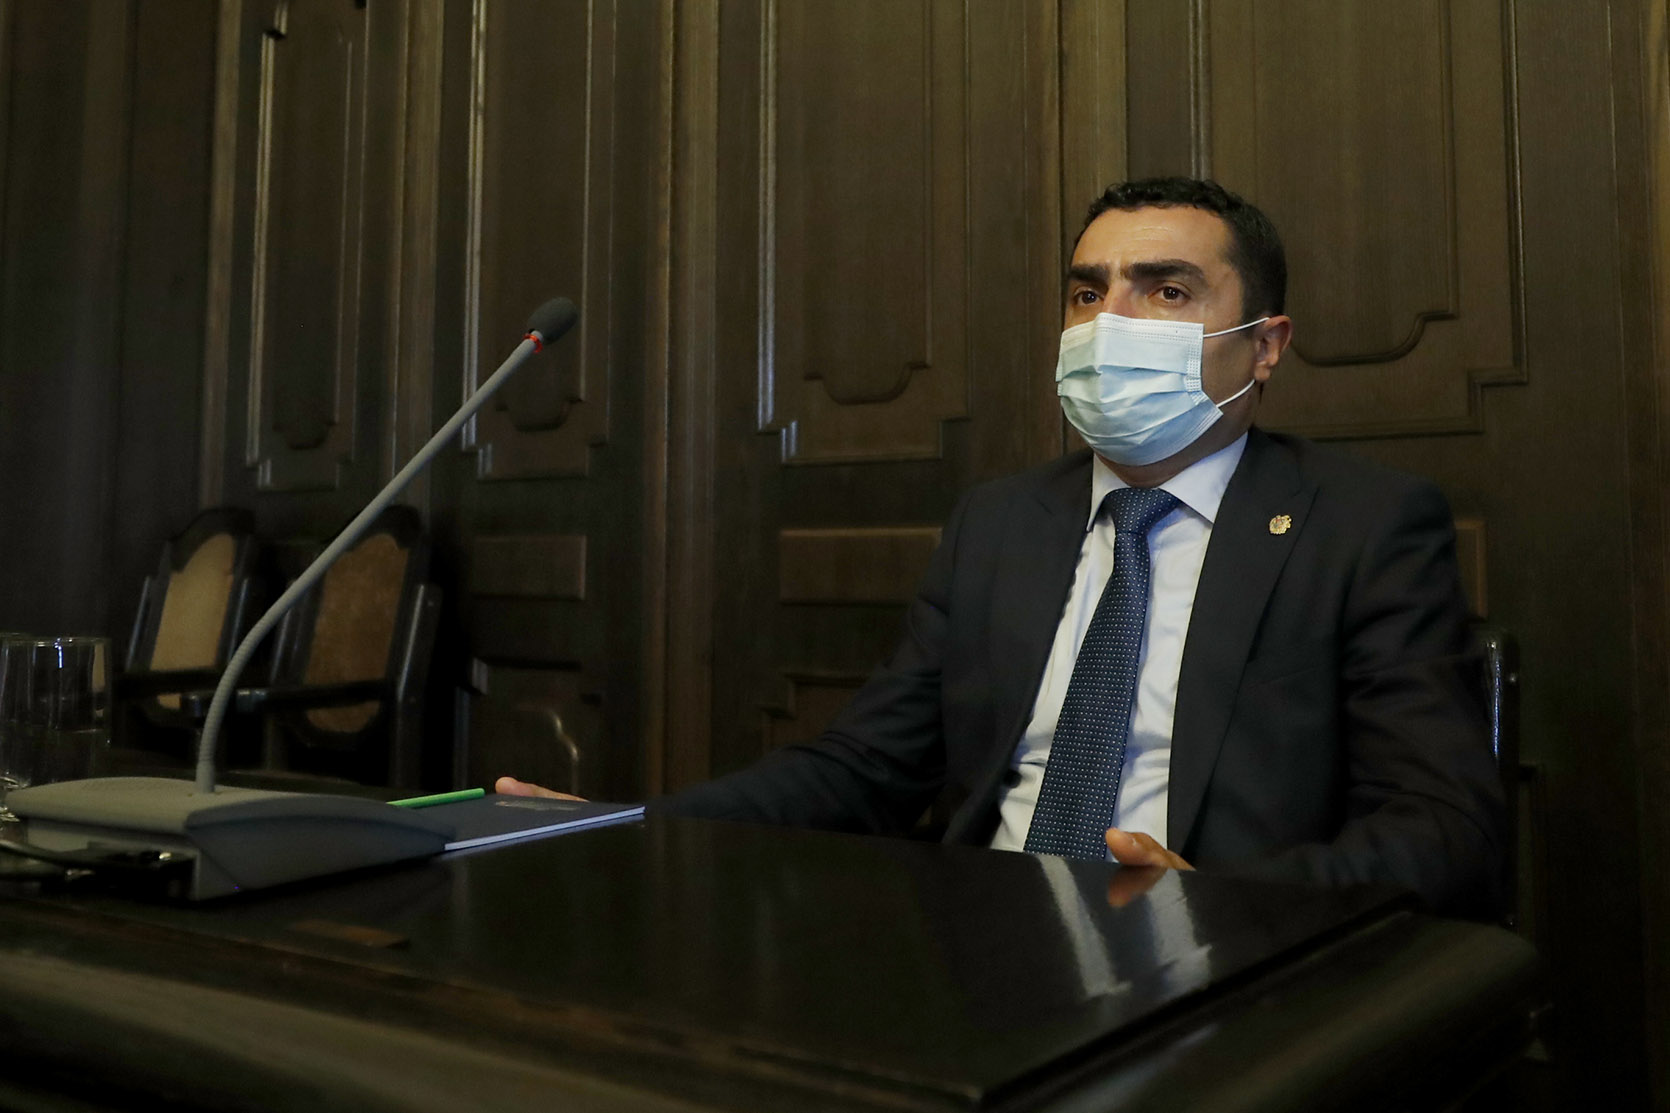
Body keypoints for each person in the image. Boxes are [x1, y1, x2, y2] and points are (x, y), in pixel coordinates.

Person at [500, 177, 1504, 917]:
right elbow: (866, 766)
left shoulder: (1364, 524)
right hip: (984, 945)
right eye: (1087, 293)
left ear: (1266, 344)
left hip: (1223, 964)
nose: (1109, 323)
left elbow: (1441, 827)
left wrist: (1226, 903)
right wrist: (638, 829)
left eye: (1165, 292)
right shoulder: (1000, 521)